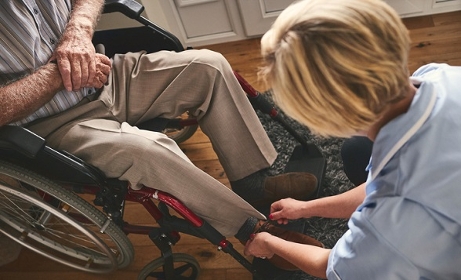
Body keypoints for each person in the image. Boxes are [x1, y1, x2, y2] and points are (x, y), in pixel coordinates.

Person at [0, 0, 324, 270]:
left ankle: (251, 179)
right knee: (150, 150)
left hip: (103, 76)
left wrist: (78, 32)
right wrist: (58, 75)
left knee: (208, 66)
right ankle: (253, 231)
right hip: (48, 123)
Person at [244, 0, 461, 279]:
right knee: (357, 151)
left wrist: (270, 243)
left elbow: (333, 267)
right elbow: (380, 184)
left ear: (325, 114)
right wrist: (306, 209)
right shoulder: (440, 76)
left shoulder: (393, 219)